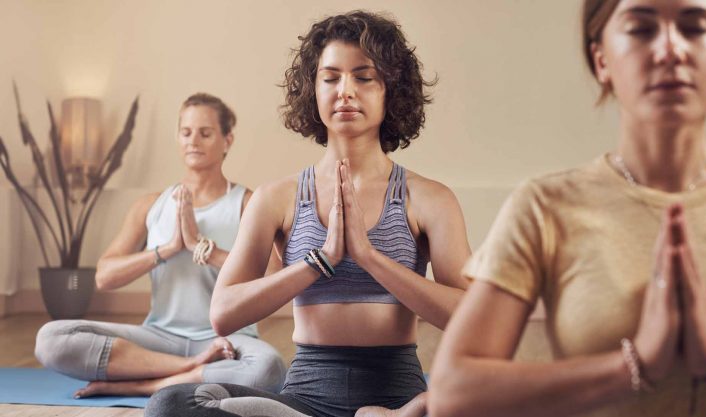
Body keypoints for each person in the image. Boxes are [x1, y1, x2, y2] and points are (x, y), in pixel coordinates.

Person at [429, 0, 706, 416]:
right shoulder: (544, 207)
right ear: (602, 59)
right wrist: (637, 364)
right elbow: (454, 393)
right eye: (641, 29)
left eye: (694, 28)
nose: (669, 50)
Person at [146, 10, 471, 417]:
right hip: (303, 403)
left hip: (398, 398)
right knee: (171, 404)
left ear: (390, 89)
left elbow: (472, 317)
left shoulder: (429, 199)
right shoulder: (276, 198)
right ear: (312, 90)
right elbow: (223, 314)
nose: (345, 90)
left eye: (364, 76)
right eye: (331, 77)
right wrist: (321, 261)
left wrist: (370, 258)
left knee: (490, 396)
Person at [34, 93, 286, 398]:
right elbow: (104, 276)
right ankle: (190, 367)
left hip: (228, 341)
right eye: (186, 132)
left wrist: (201, 247)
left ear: (227, 140)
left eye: (205, 133)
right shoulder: (150, 205)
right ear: (178, 138)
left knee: (269, 368)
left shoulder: (248, 204)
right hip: (159, 337)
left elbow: (272, 281)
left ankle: (148, 383)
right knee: (52, 339)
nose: (194, 140)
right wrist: (165, 250)